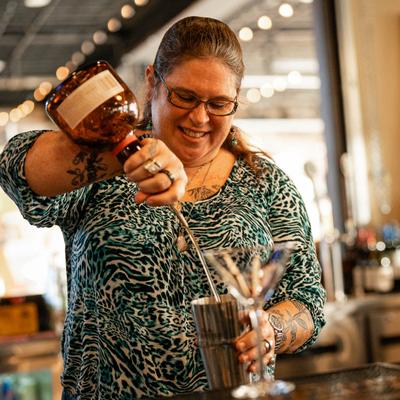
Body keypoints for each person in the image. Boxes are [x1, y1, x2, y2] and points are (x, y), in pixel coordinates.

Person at [0, 16, 325, 399]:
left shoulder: (265, 183)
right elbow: (14, 167)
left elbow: (306, 301)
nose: (200, 117)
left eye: (219, 103)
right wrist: (123, 156)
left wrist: (273, 329)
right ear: (153, 82)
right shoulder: (102, 171)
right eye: (184, 97)